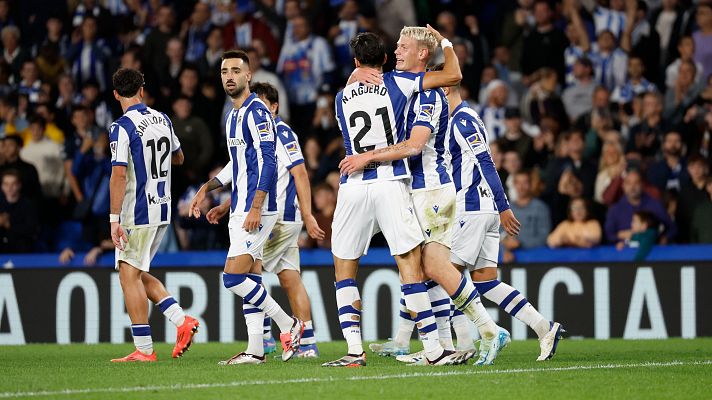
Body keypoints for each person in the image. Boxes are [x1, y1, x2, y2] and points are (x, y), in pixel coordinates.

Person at [333, 29, 500, 367]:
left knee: (413, 267)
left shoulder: (343, 97)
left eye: (403, 46)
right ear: (382, 59)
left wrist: (354, 78)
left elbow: (413, 143)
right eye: (393, 48)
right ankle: (441, 345)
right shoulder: (400, 83)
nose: (397, 51)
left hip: (404, 186)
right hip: (400, 184)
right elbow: (450, 75)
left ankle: (483, 332)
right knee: (417, 268)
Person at [188, 50, 304, 365]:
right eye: (224, 71)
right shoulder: (233, 116)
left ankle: (287, 323)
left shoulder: (257, 112)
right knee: (251, 277)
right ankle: (255, 350)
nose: (229, 76)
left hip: (259, 209)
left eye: (236, 70)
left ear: (248, 75)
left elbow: (268, 162)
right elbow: (237, 164)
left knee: (232, 278)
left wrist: (256, 206)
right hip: (239, 207)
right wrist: (207, 188)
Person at [441, 74, 564, 361]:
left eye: (433, 90)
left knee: (446, 276)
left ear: (446, 88)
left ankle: (470, 341)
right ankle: (543, 327)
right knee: (485, 282)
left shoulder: (463, 120)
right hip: (482, 210)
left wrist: (504, 205)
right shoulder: (464, 118)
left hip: (472, 208)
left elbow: (486, 161)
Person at [204, 82, 325, 363]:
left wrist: (308, 215)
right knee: (289, 277)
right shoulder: (258, 135)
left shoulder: (280, 132)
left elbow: (300, 174)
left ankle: (268, 338)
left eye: (263, 105)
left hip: (278, 217)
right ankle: (305, 343)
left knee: (244, 274)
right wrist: (226, 204)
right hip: (282, 216)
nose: (256, 110)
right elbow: (250, 177)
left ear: (275, 107)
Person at [107, 68, 199, 363]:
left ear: (116, 94)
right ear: (142, 90)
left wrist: (113, 219)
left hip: (138, 209)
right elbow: (180, 157)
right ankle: (180, 320)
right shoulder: (163, 118)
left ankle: (144, 349)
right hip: (162, 208)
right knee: (136, 272)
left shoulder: (121, 127)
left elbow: (118, 174)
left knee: (127, 274)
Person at [604, 169, 676, 244]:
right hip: (623, 253)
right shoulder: (615, 209)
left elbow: (672, 228)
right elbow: (609, 235)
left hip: (652, 251)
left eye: (636, 183)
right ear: (623, 186)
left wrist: (664, 238)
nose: (632, 187)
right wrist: (620, 238)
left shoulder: (654, 205)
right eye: (628, 183)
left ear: (642, 185)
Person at [0, 170, 38, 253]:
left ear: (19, 185)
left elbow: (32, 231)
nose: (9, 188)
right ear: (2, 186)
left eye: (13, 184)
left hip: (21, 249)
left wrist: (9, 225)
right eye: (6, 184)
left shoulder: (28, 205)